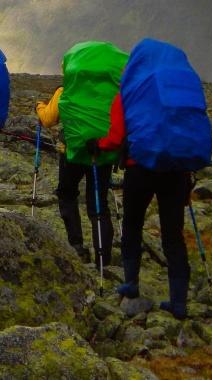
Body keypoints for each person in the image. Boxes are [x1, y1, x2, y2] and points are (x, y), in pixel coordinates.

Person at [92, 38, 212, 319]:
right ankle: (179, 302)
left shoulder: (130, 93)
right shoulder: (183, 91)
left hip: (141, 168)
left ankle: (131, 284)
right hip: (177, 171)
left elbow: (115, 137)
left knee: (132, 225)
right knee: (173, 235)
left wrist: (98, 146)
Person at [35, 42, 128, 269]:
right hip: (103, 153)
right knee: (99, 203)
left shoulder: (65, 91)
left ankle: (76, 246)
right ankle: (103, 257)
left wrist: (38, 107)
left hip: (72, 153)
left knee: (67, 193)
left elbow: (48, 120)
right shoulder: (116, 93)